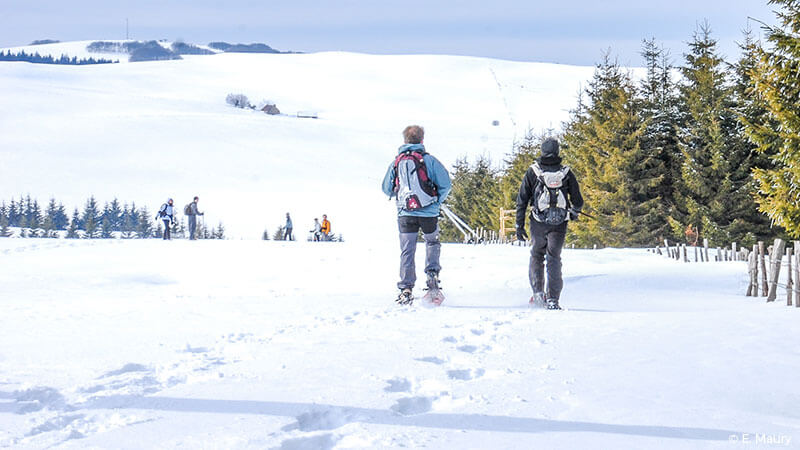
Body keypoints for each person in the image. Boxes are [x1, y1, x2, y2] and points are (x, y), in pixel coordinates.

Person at [381, 125, 451, 304]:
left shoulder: (397, 161)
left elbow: (386, 188)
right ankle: (432, 278)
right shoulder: (429, 160)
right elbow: (445, 184)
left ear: (404, 141)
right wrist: (436, 201)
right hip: (429, 213)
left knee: (407, 249)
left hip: (405, 213)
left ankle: (406, 287)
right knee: (432, 242)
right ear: (422, 140)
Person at [516, 138, 583, 310]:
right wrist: (574, 213)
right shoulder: (566, 173)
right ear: (558, 151)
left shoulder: (533, 172)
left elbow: (521, 201)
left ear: (542, 151)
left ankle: (538, 293)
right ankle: (553, 299)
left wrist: (519, 226)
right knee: (554, 258)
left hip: (538, 221)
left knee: (537, 255)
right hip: (560, 223)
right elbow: (578, 200)